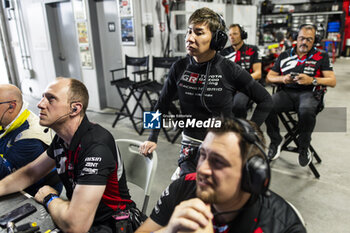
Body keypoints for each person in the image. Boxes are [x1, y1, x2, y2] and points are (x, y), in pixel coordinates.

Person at [140, 8, 272, 178]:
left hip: (221, 145)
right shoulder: (179, 67)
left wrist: (249, 134)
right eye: (189, 31)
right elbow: (161, 104)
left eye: (198, 32)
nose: (189, 38)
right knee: (182, 192)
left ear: (217, 40)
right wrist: (152, 136)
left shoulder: (230, 70)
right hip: (189, 144)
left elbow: (266, 100)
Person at [0, 78, 133, 232]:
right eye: (43, 97)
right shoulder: (62, 139)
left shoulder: (96, 147)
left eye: (51, 99)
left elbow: (76, 226)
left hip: (111, 225)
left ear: (74, 109)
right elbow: (31, 173)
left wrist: (49, 197)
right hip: (80, 217)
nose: (40, 104)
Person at [136, 118, 306, 233]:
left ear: (251, 174)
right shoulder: (184, 187)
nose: (202, 170)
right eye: (203, 155)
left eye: (218, 162)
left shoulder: (282, 225)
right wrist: (169, 230)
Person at [265, 24, 336, 166]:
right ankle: (276, 141)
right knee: (266, 105)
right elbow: (269, 77)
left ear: (314, 40)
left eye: (309, 39)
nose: (304, 42)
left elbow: (332, 81)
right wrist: (283, 78)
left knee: (306, 111)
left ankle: (303, 147)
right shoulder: (285, 55)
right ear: (296, 38)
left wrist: (312, 80)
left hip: (310, 93)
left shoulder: (321, 56)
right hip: (287, 92)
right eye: (302, 38)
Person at [0, 84, 61, 196]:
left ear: (11, 106)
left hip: (36, 192)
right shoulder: (12, 119)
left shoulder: (29, 139)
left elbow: (5, 176)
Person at [221, 24, 262, 119]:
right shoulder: (224, 52)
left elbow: (258, 73)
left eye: (235, 34)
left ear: (242, 35)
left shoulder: (253, 50)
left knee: (238, 105)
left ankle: (240, 129)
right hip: (229, 87)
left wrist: (242, 81)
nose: (232, 37)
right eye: (230, 34)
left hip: (245, 87)